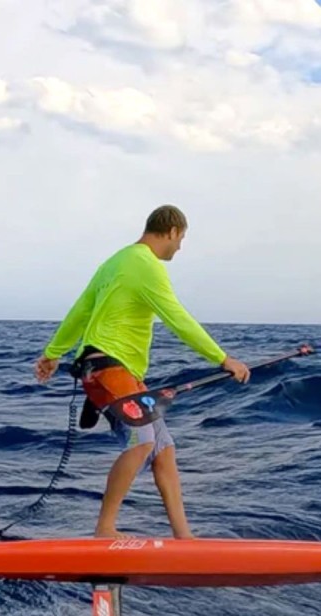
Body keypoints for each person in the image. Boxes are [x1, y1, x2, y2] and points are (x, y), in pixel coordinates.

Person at [34, 205, 250, 539]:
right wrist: (224, 359)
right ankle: (105, 528)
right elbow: (178, 319)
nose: (180, 248)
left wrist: (52, 353)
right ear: (174, 231)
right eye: (182, 240)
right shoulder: (147, 266)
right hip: (108, 367)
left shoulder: (115, 262)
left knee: (163, 447)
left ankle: (184, 537)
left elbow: (80, 311)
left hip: (111, 369)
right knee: (142, 440)